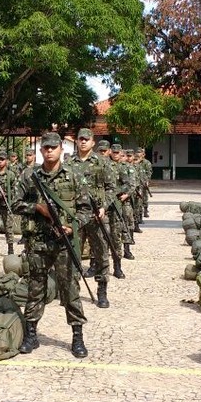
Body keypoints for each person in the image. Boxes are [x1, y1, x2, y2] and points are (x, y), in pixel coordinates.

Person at [12, 132, 91, 358]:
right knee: (35, 288)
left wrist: (71, 227)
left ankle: (77, 337)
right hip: (38, 242)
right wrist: (37, 208)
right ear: (40, 150)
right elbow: (15, 203)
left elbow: (86, 210)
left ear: (61, 150)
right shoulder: (30, 176)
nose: (49, 151)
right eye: (45, 147)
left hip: (64, 243)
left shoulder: (74, 176)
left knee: (70, 290)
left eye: (53, 147)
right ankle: (31, 334)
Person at [67, 129, 118, 305]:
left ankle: (102, 291)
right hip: (75, 216)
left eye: (86, 139)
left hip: (97, 216)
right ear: (76, 141)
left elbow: (111, 187)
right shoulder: (68, 163)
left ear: (92, 142)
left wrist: (104, 206)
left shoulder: (102, 162)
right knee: (73, 253)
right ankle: (72, 292)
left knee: (101, 253)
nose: (83, 142)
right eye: (80, 139)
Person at [0, 151, 18, 257]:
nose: (0, 162)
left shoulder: (11, 175)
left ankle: (10, 249)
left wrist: (7, 195)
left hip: (6, 205)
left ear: (6, 161)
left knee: (8, 227)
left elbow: (15, 190)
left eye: (2, 160)